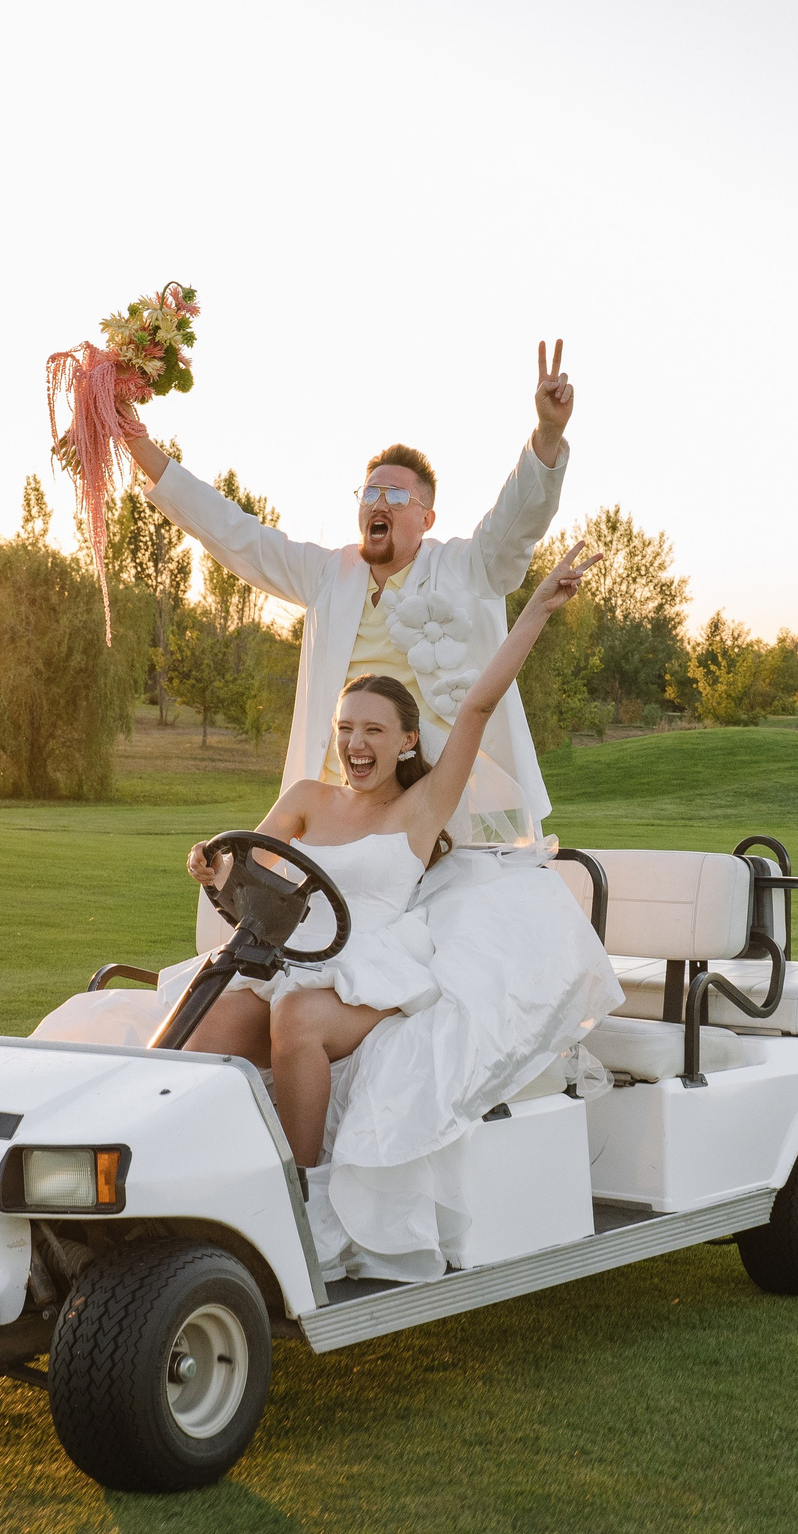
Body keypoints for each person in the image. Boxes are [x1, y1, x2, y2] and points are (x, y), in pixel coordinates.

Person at [180, 542, 602, 1168]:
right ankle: (185, 1175)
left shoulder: (421, 808)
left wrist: (537, 607)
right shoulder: (306, 798)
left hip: (366, 968)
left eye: (373, 730)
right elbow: (246, 873)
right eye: (346, 728)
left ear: (407, 742)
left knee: (298, 1016)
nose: (355, 743)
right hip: (285, 961)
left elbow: (479, 704)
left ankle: (298, 1185)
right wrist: (212, 867)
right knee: (199, 1027)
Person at [126, 341, 576, 847]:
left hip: (438, 813)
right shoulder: (327, 573)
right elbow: (234, 533)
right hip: (337, 813)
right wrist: (137, 441)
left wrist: (548, 433)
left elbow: (516, 524)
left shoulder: (466, 567)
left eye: (398, 496)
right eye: (370, 492)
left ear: (426, 518)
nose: (379, 502)